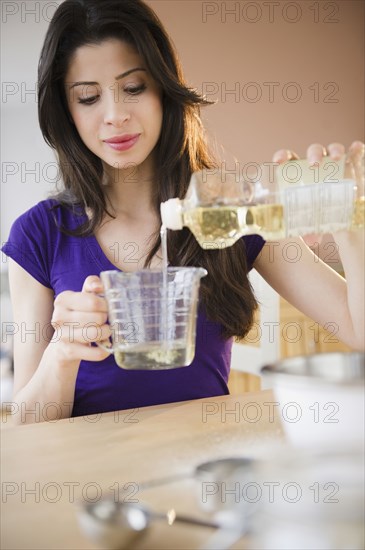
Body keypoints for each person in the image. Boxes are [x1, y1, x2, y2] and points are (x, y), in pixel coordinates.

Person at [2, 0, 364, 424]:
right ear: (67, 112)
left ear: (163, 90)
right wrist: (61, 354)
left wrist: (350, 222)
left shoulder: (231, 208)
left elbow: (357, 332)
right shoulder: (39, 234)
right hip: (96, 484)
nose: (115, 115)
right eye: (88, 97)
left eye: (133, 88)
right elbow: (26, 430)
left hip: (205, 472)